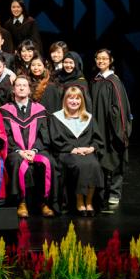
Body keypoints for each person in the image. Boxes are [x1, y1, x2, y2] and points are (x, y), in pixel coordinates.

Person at [0, 76, 58, 218]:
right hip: (15, 151)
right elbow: (6, 135)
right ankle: (21, 202)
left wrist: (34, 150)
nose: (21, 88)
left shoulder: (39, 110)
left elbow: (44, 135)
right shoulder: (5, 110)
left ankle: (44, 202)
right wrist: (19, 151)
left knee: (48, 161)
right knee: (16, 161)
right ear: (13, 90)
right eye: (18, 85)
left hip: (36, 150)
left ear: (29, 90)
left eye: (24, 85)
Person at [50, 86, 104, 216]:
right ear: (65, 100)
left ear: (82, 101)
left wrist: (91, 148)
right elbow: (55, 140)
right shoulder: (56, 117)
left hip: (86, 152)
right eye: (71, 98)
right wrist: (72, 149)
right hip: (66, 153)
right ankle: (79, 201)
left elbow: (98, 139)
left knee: (94, 164)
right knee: (80, 165)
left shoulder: (88, 118)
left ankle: (89, 201)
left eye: (77, 98)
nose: (74, 101)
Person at [89, 49, 132, 207]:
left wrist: (119, 132)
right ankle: (103, 192)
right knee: (101, 158)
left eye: (104, 58)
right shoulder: (95, 80)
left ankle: (115, 192)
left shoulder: (114, 82)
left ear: (110, 60)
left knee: (115, 157)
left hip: (112, 129)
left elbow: (119, 109)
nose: (101, 61)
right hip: (98, 127)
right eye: (98, 58)